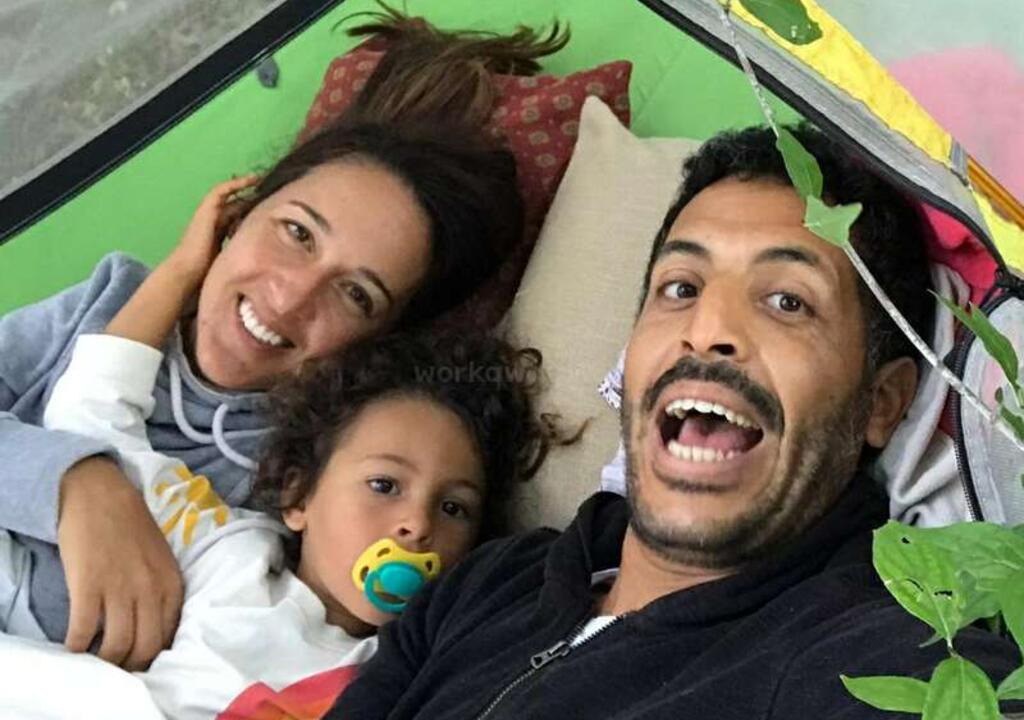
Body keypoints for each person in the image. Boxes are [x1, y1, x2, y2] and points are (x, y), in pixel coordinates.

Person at [326, 125, 1022, 720]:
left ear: (882, 404)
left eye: (787, 301)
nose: (707, 328)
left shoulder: (884, 664)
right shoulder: (490, 583)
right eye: (681, 288)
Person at [0, 9, 568, 670]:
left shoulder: (311, 467)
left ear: (378, 343)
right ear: (240, 214)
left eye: (356, 294)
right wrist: (75, 483)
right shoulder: (116, 300)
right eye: (297, 232)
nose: (291, 296)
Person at [18, 276, 553, 717]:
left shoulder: (415, 672)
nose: (417, 523)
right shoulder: (231, 554)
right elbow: (90, 413)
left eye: (453, 507)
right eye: (384, 485)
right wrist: (182, 272)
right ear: (298, 496)